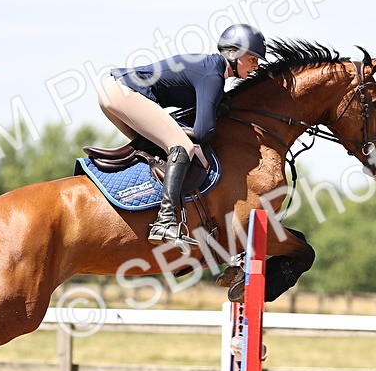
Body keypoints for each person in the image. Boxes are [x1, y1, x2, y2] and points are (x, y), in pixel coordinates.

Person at [99, 23, 266, 243]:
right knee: (182, 146)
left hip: (112, 93)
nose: (256, 66)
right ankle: (165, 221)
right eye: (252, 59)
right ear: (233, 53)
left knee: (162, 148)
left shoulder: (210, 68)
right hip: (125, 93)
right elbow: (204, 132)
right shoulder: (213, 75)